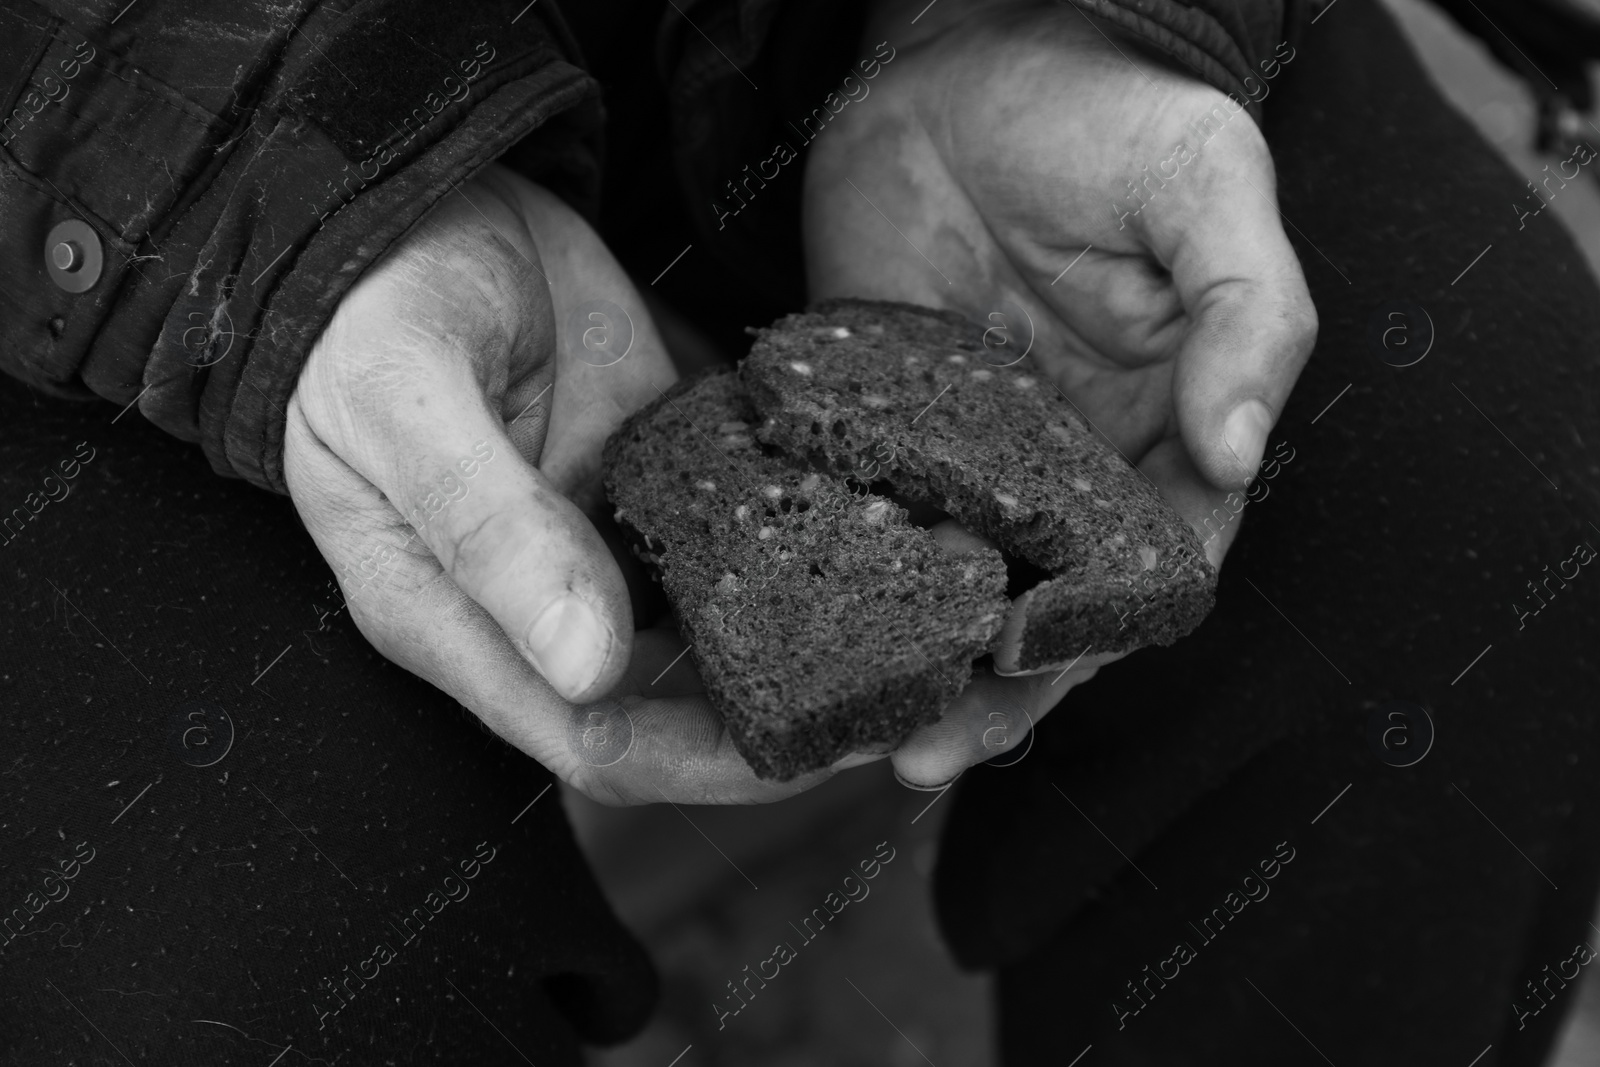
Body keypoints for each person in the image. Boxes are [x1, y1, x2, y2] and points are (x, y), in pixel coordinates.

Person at [0, 0, 1595, 1063]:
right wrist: (266, 226)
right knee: (242, 978)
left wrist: (1056, 14)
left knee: (1505, 508)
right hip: (126, 128)